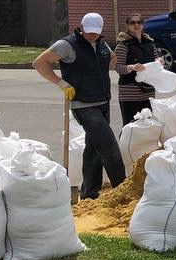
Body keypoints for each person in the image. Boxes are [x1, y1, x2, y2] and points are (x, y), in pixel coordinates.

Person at [32, 12, 126, 200]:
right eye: (89, 32)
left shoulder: (101, 44)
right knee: (109, 146)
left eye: (96, 32)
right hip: (83, 104)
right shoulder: (67, 44)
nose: (92, 35)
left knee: (93, 149)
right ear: (81, 27)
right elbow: (40, 63)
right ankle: (123, 190)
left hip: (103, 101)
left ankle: (89, 194)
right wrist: (61, 83)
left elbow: (112, 59)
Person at [111, 13, 159, 125]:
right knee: (130, 126)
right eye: (132, 23)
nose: (136, 25)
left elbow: (157, 60)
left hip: (148, 91)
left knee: (148, 125)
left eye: (139, 22)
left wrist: (160, 62)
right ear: (127, 25)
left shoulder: (150, 43)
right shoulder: (123, 45)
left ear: (143, 25)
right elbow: (117, 67)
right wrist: (131, 67)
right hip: (129, 93)